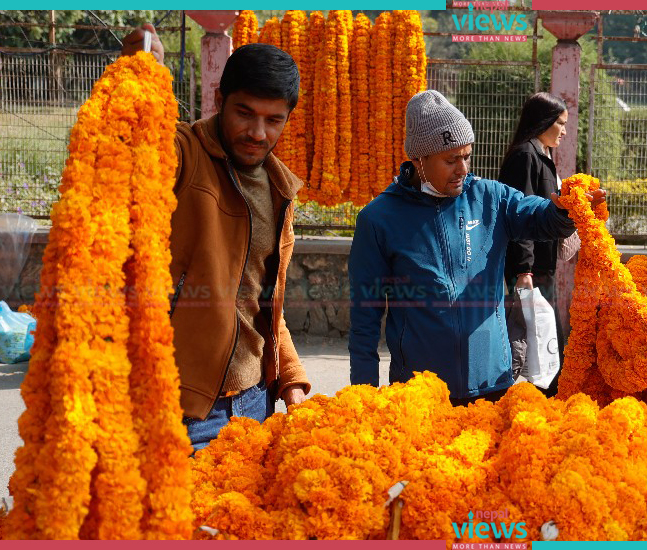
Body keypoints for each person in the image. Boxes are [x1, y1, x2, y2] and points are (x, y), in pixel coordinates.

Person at [348, 90, 606, 406]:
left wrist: (565, 210)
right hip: (420, 393)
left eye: (467, 156)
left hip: (492, 383)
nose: (463, 169)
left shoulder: (489, 199)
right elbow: (365, 317)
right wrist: (362, 396)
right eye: (450, 159)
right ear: (418, 160)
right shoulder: (379, 219)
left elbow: (538, 217)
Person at [122, 26, 310, 450]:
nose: (258, 133)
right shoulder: (182, 153)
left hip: (256, 406)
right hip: (183, 409)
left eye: (273, 120)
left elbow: (263, 303)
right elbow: (132, 153)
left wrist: (291, 380)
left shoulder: (280, 190)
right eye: (245, 113)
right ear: (219, 101)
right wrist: (140, 83)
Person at [499, 91, 569, 396]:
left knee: (542, 334)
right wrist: (523, 268)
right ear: (544, 122)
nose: (564, 130)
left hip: (541, 262)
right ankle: (534, 395)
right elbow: (519, 211)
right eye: (561, 123)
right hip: (531, 266)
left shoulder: (541, 152)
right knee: (534, 334)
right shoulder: (526, 155)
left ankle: (543, 395)